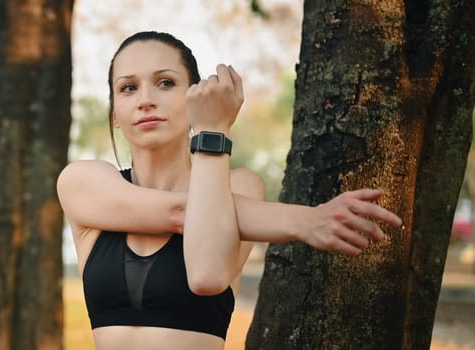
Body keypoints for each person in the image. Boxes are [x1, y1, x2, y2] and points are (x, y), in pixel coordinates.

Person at [56, 31, 403, 350]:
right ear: (115, 112)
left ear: (194, 97)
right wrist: (304, 220)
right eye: (128, 88)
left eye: (165, 82)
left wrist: (212, 128)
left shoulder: (240, 185)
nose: (145, 100)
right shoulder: (83, 182)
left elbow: (207, 275)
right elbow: (180, 214)